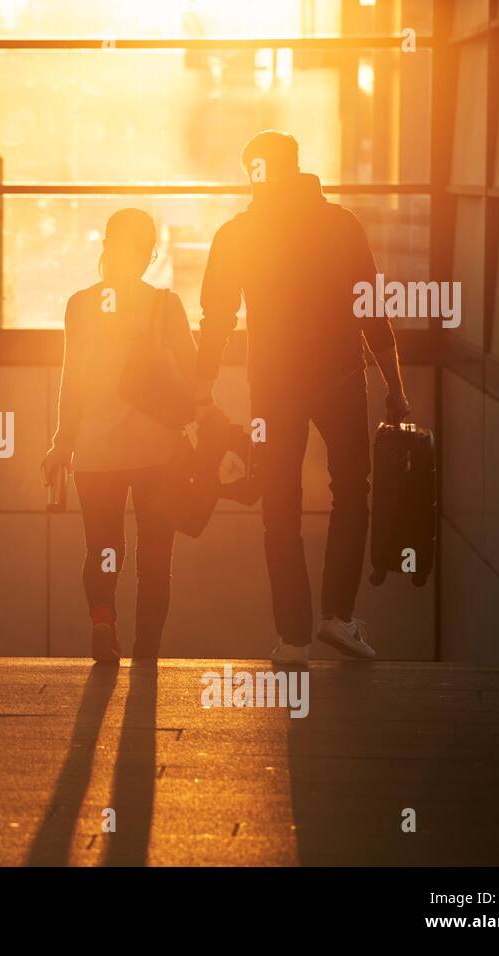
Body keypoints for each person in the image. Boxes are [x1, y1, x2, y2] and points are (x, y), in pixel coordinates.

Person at [196, 130, 411, 666]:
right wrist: (396, 388)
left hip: (274, 389)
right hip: (340, 379)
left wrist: (201, 391)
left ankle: (292, 639)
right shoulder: (340, 225)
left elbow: (216, 321)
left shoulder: (238, 234)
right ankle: (336, 617)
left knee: (279, 506)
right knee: (351, 492)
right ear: (296, 166)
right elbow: (371, 310)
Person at [41, 208, 200, 664]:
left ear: (107, 246)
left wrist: (62, 442)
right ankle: (146, 651)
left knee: (104, 547)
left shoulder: (81, 304)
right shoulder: (164, 304)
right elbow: (190, 376)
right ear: (149, 253)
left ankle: (103, 619)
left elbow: (72, 381)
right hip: (157, 452)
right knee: (155, 557)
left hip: (95, 452)